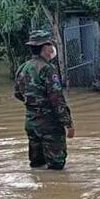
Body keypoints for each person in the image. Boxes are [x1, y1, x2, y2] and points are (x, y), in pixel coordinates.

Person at [14, 30, 75, 170]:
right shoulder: (48, 69)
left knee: (37, 165)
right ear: (45, 47)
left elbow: (17, 93)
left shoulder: (23, 68)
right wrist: (68, 123)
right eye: (50, 44)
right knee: (56, 167)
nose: (52, 47)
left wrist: (33, 104)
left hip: (31, 123)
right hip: (50, 125)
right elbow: (57, 99)